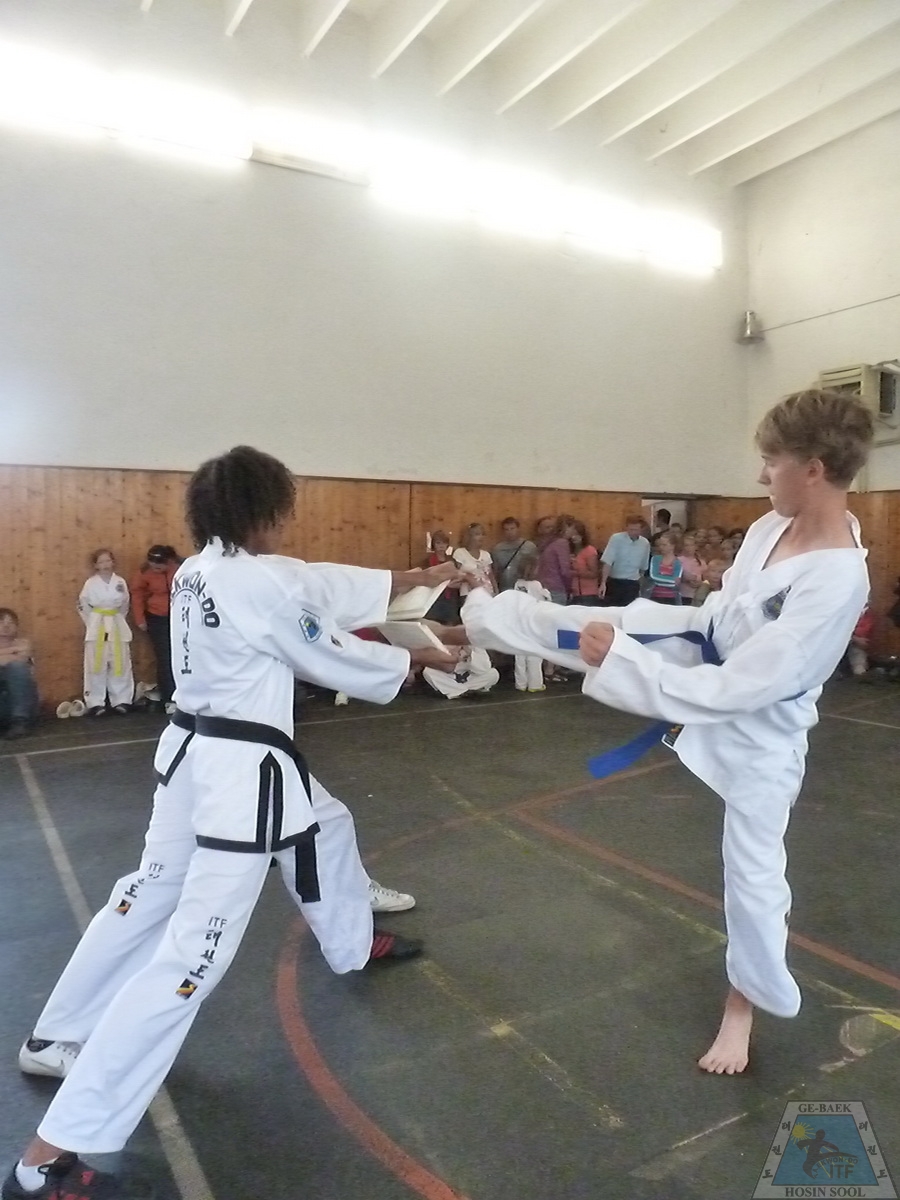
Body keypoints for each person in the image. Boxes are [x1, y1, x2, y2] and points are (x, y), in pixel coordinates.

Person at [4, 446, 462, 1200]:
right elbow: (324, 646)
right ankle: (49, 1156)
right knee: (192, 961)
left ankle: (347, 942)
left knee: (301, 832)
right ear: (264, 511)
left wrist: (406, 579)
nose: (287, 521)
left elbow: (309, 582)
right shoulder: (257, 583)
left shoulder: (201, 568)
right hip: (240, 782)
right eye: (281, 509)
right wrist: (419, 659)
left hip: (193, 757)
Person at [458, 389, 873, 1077]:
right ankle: (473, 620)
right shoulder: (772, 526)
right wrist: (631, 643)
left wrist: (625, 664)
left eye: (771, 462)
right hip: (701, 641)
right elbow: (723, 613)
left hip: (764, 725)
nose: (760, 475)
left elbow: (741, 688)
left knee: (753, 871)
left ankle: (744, 1004)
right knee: (589, 623)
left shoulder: (836, 582)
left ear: (815, 469)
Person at [77, 550, 134, 716]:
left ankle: (122, 700)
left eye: (108, 561)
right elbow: (83, 605)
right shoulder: (90, 583)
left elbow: (125, 604)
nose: (105, 565)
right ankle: (95, 702)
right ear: (95, 565)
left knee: (120, 662)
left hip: (116, 623)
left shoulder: (120, 582)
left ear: (113, 562)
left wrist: (117, 618)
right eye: (101, 562)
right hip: (97, 624)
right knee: (96, 664)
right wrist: (92, 622)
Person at [131, 545, 180, 715]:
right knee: (164, 658)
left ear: (169, 562)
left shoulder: (180, 568)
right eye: (152, 564)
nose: (156, 568)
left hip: (179, 617)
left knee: (182, 656)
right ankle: (169, 698)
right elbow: (137, 595)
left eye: (159, 565)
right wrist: (140, 619)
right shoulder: (144, 572)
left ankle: (185, 696)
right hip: (157, 618)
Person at [0, 609, 39, 739]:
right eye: (1, 622)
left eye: (11, 623)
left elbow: (22, 659)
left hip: (19, 705)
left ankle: (19, 722)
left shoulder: (23, 643)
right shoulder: (18, 647)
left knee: (18, 668)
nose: (6, 627)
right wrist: (13, 652)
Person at [513, 558, 549, 691]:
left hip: (519, 621)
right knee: (534, 654)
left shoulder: (518, 584)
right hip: (533, 622)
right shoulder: (536, 584)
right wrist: (546, 593)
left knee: (519, 655)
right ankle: (535, 684)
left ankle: (521, 684)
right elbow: (543, 600)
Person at [599, 516, 650, 607]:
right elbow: (608, 561)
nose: (633, 532)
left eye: (636, 530)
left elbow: (643, 567)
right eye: (630, 529)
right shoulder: (616, 538)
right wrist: (603, 582)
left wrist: (640, 586)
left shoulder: (645, 543)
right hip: (615, 581)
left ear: (641, 529)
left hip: (632, 583)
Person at [422, 644, 499, 699]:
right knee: (429, 671)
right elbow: (444, 667)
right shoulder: (441, 645)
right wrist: (453, 655)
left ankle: (461, 691)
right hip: (450, 677)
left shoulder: (476, 647)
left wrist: (470, 653)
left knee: (493, 673)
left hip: (470, 678)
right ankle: (462, 691)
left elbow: (482, 669)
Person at [422, 531, 460, 625]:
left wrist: (454, 583)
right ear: (433, 545)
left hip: (451, 596)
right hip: (434, 596)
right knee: (434, 622)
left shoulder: (452, 560)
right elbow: (426, 578)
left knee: (450, 622)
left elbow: (457, 576)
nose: (441, 546)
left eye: (444, 543)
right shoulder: (427, 561)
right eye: (438, 543)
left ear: (447, 544)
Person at [537, 515, 574, 605]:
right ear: (566, 527)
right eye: (572, 528)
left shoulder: (549, 543)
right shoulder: (562, 543)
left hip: (543, 586)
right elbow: (565, 571)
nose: (573, 532)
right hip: (557, 587)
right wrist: (570, 588)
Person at [491, 518, 536, 592]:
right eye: (506, 529)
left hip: (524, 587)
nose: (510, 532)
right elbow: (495, 571)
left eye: (512, 528)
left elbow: (535, 567)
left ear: (518, 529)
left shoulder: (529, 546)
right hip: (505, 587)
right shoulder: (497, 549)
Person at [453, 524, 495, 596]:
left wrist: (496, 591)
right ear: (469, 537)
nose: (481, 537)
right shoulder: (460, 553)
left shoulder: (486, 554)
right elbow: (457, 575)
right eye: (477, 534)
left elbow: (491, 576)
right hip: (468, 593)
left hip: (488, 593)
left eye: (483, 534)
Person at [568, 522, 601, 606]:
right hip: (573, 593)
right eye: (572, 535)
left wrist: (574, 573)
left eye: (577, 534)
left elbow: (594, 573)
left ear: (583, 535)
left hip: (588, 594)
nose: (574, 537)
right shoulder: (570, 550)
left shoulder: (589, 550)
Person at [647, 532, 683, 604]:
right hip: (654, 596)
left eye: (664, 545)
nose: (661, 547)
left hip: (671, 598)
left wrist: (659, 580)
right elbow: (653, 576)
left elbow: (676, 583)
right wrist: (671, 580)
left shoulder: (678, 563)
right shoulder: (655, 559)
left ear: (672, 546)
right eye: (660, 545)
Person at [846, 606, 874, 676]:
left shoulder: (868, 615)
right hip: (841, 642)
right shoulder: (846, 612)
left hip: (858, 643)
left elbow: (863, 630)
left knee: (859, 663)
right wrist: (855, 638)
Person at [677, 534, 703, 605]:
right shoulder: (678, 560)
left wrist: (700, 583)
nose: (689, 548)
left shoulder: (701, 562)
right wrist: (685, 578)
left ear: (695, 546)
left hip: (696, 596)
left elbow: (705, 577)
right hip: (682, 595)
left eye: (691, 545)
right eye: (686, 545)